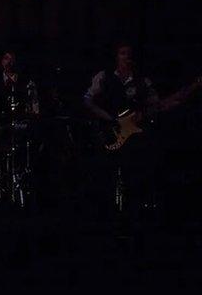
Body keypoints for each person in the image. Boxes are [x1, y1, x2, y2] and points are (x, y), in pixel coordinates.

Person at [83, 42, 201, 210]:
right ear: (116, 56)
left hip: (133, 137)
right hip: (108, 132)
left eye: (129, 54)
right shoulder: (103, 76)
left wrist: (191, 89)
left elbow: (157, 105)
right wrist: (107, 118)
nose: (127, 57)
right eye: (123, 53)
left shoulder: (142, 81)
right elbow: (87, 100)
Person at [0, 49, 39, 118]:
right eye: (6, 58)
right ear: (2, 61)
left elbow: (34, 105)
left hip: (21, 121)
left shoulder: (28, 83)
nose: (9, 62)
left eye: (12, 59)